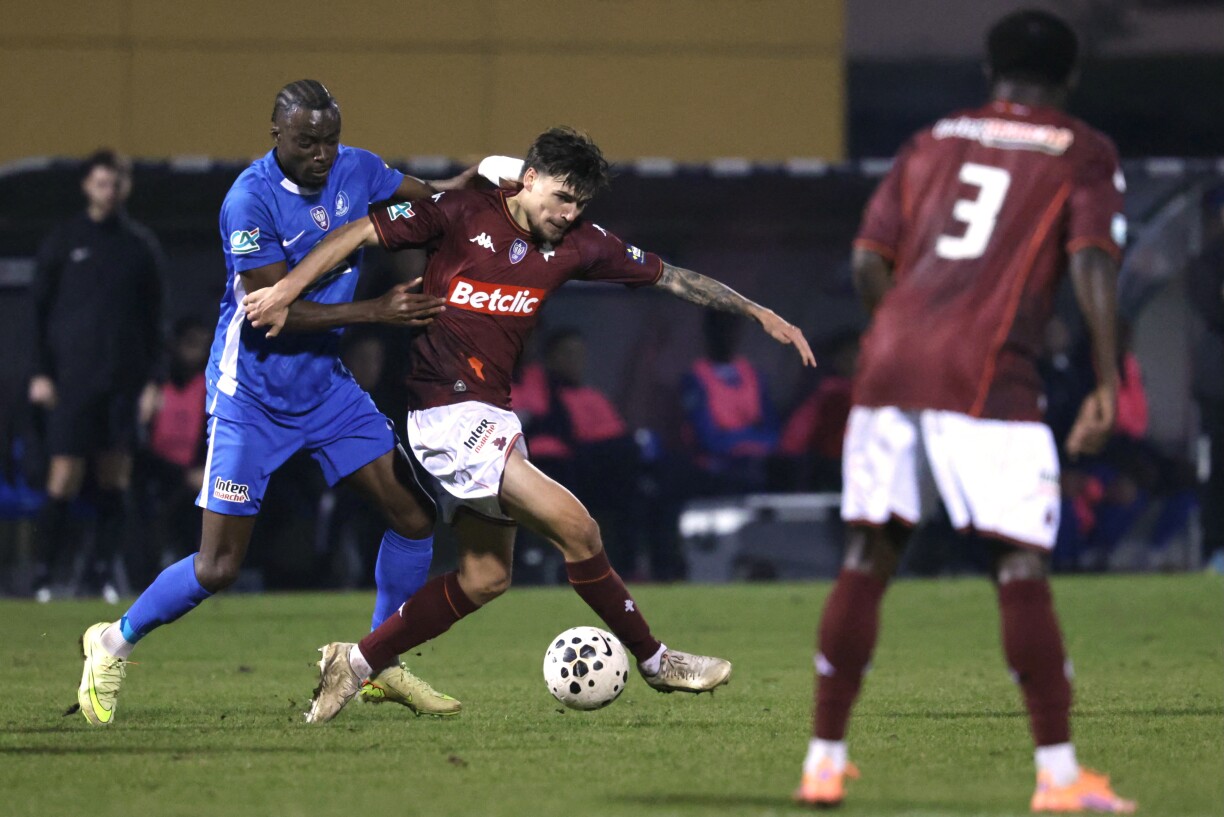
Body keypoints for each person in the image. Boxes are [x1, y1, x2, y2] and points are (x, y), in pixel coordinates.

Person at [243, 125, 815, 721]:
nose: (568, 214)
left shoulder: (581, 244)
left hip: (491, 411)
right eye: (561, 198)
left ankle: (355, 662)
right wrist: (285, 289)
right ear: (530, 178)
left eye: (580, 204)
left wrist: (755, 310)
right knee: (580, 529)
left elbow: (671, 275)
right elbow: (360, 229)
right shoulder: (461, 211)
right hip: (445, 412)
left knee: (486, 577)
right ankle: (656, 661)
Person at [793, 12, 1136, 812]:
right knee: (1018, 564)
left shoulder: (932, 139)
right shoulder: (1082, 149)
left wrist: (895, 341)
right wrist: (1107, 379)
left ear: (989, 69)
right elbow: (1090, 260)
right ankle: (1058, 778)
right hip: (988, 372)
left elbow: (865, 258)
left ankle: (823, 761)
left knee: (868, 556)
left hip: (890, 363)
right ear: (1070, 77)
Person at [75, 79, 477, 726]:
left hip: (325, 387)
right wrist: (377, 310)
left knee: (414, 514)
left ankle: (378, 661)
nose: (322, 153)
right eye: (307, 141)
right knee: (218, 565)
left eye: (330, 140)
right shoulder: (249, 201)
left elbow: (431, 200)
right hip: (252, 396)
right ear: (277, 136)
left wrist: (481, 184)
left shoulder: (359, 169)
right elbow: (273, 315)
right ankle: (110, 641)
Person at [29, 149, 165, 604]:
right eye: (103, 183)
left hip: (123, 384)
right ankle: (43, 574)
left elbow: (155, 320)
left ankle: (104, 574)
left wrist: (153, 382)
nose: (110, 192)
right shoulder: (64, 241)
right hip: (72, 381)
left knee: (115, 478)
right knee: (64, 475)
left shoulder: (139, 245)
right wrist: (40, 372)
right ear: (88, 185)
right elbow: (37, 313)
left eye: (118, 184)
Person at [681, 310, 780, 495]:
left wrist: (755, 448)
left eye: (732, 328)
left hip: (755, 464)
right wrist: (743, 445)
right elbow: (706, 438)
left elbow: (772, 430)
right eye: (721, 328)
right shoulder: (695, 378)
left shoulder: (754, 376)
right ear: (709, 332)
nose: (726, 335)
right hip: (714, 469)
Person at [1188, 188, 1224, 573]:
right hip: (1219, 385)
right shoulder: (1206, 262)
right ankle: (1217, 549)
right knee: (1219, 466)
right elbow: (1214, 311)